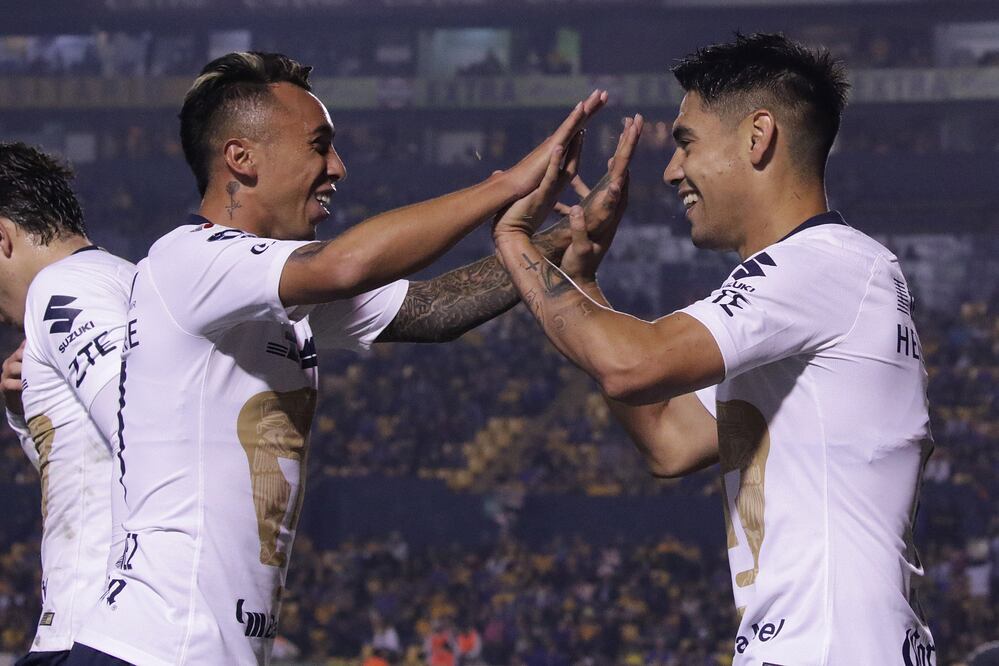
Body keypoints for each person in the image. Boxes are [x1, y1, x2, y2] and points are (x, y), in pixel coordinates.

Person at [69, 51, 633, 665]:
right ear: (242, 158)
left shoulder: (273, 285)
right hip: (153, 649)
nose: (337, 167)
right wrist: (507, 185)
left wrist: (570, 235)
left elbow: (432, 312)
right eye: (319, 146)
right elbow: (347, 263)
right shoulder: (188, 260)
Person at [493, 33, 935, 664]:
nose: (672, 170)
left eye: (686, 143)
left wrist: (516, 243)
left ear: (758, 137)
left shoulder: (825, 265)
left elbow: (632, 365)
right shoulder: (809, 292)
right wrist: (584, 281)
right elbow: (667, 440)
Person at [0, 142, 135, 665]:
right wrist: (25, 412)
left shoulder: (63, 288)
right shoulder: (122, 280)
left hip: (96, 630)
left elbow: (140, 433)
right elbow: (91, 467)